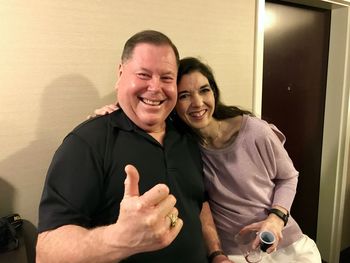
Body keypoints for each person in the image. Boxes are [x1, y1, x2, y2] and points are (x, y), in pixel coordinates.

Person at [94, 57, 322, 262]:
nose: (198, 103)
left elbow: (288, 177)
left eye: (204, 90)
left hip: (284, 244)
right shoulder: (182, 144)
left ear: (214, 92)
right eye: (184, 95)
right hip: (235, 253)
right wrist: (117, 112)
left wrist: (276, 218)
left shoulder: (254, 132)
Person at [36, 31, 233, 263]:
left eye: (167, 78)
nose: (155, 87)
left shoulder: (186, 135)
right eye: (143, 74)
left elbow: (198, 203)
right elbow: (46, 252)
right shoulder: (87, 143)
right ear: (121, 74)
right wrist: (119, 239)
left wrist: (216, 253)